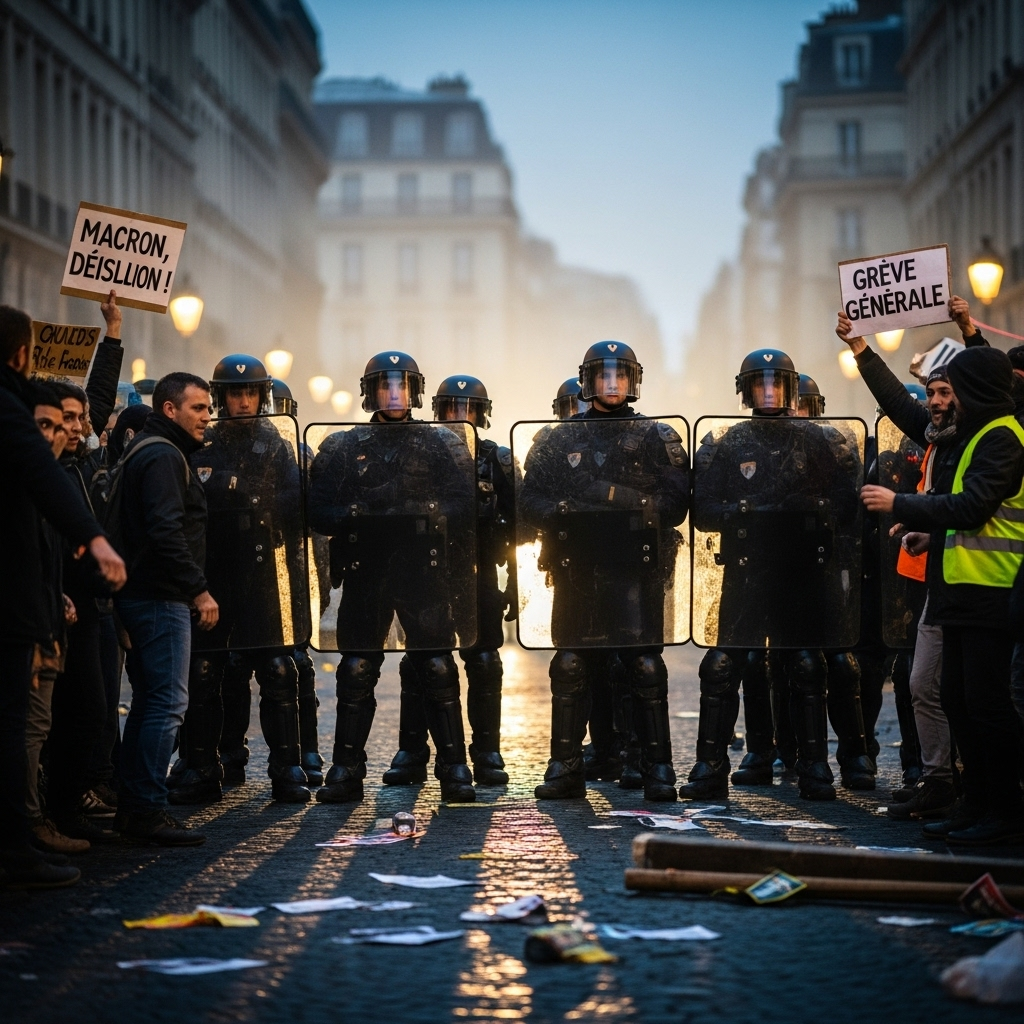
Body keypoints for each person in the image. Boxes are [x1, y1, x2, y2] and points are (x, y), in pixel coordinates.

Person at [840, 313, 1024, 846]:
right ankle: (976, 802)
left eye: (956, 388)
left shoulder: (1002, 437)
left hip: (992, 590)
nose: (947, 400)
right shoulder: (968, 433)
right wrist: (932, 537)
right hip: (957, 586)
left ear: (978, 390)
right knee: (958, 697)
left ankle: (1005, 809)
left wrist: (902, 504)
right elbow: (905, 408)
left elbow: (974, 506)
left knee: (987, 705)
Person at [682, 350, 861, 801]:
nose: (767, 392)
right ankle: (710, 766)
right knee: (723, 666)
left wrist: (808, 509)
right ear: (745, 390)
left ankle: (815, 767)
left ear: (790, 389)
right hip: (746, 572)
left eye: (775, 384)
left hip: (802, 573)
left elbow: (845, 506)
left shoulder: (820, 442)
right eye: (759, 384)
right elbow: (702, 511)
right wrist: (746, 511)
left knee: (804, 663)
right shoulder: (728, 441)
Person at [520, 341, 690, 802]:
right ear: (588, 380)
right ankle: (565, 769)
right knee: (572, 666)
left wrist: (622, 502)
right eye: (603, 376)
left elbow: (675, 504)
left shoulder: (657, 436)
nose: (612, 384)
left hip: (637, 569)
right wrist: (563, 510)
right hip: (577, 568)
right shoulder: (557, 439)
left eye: (620, 375)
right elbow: (529, 498)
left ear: (634, 381)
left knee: (644, 666)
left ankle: (658, 771)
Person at [308, 352, 478, 804]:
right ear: (371, 392)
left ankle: (454, 767)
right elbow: (318, 511)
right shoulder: (343, 447)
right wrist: (359, 513)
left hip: (423, 571)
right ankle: (345, 770)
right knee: (356, 669)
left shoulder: (439, 443)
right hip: (367, 571)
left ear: (416, 390)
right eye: (386, 385)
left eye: (402, 385)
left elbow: (464, 507)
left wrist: (421, 510)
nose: (396, 393)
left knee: (438, 667)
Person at [1, 304, 125, 887]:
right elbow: (44, 483)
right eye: (50, 425)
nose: (64, 432)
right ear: (22, 354)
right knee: (25, 729)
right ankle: (25, 837)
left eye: (68, 424)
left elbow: (91, 408)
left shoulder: (67, 451)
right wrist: (95, 541)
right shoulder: (15, 420)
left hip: (52, 610)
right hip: (29, 616)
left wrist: (113, 336)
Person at [170, 356, 311, 805]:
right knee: (206, 671)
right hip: (213, 570)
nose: (244, 400)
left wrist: (246, 493)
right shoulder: (202, 443)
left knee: (276, 670)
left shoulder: (276, 443)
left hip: (262, 573)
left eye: (251, 392)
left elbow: (292, 501)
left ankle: (287, 768)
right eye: (235, 392)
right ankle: (201, 766)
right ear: (221, 397)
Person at [383, 375, 516, 787]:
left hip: (478, 573)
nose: (460, 417)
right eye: (452, 409)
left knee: (484, 660)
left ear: (482, 413)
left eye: (469, 409)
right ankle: (412, 749)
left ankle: (487, 750)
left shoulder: (497, 459)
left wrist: (514, 581)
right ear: (436, 411)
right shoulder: (421, 452)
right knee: (422, 661)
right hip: (427, 572)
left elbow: (518, 524)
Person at [113, 371, 217, 845]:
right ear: (170, 409)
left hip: (146, 594)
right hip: (159, 597)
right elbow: (165, 531)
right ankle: (147, 810)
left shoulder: (157, 451)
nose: (207, 416)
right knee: (167, 704)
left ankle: (134, 804)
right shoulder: (161, 456)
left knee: (150, 703)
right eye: (198, 408)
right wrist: (197, 589)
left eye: (207, 408)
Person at [44, 291, 127, 840]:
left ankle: (82, 802)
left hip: (91, 608)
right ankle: (63, 810)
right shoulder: (41, 471)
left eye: (79, 421)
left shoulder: (84, 462)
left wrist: (113, 332)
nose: (76, 427)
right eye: (63, 420)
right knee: (62, 720)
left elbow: (93, 397)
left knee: (94, 712)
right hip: (56, 609)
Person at [271, 376, 324, 787]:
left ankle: (306, 751)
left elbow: (315, 535)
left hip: (291, 571)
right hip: (243, 574)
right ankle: (222, 756)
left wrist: (317, 588)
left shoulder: (301, 456)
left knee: (297, 666)